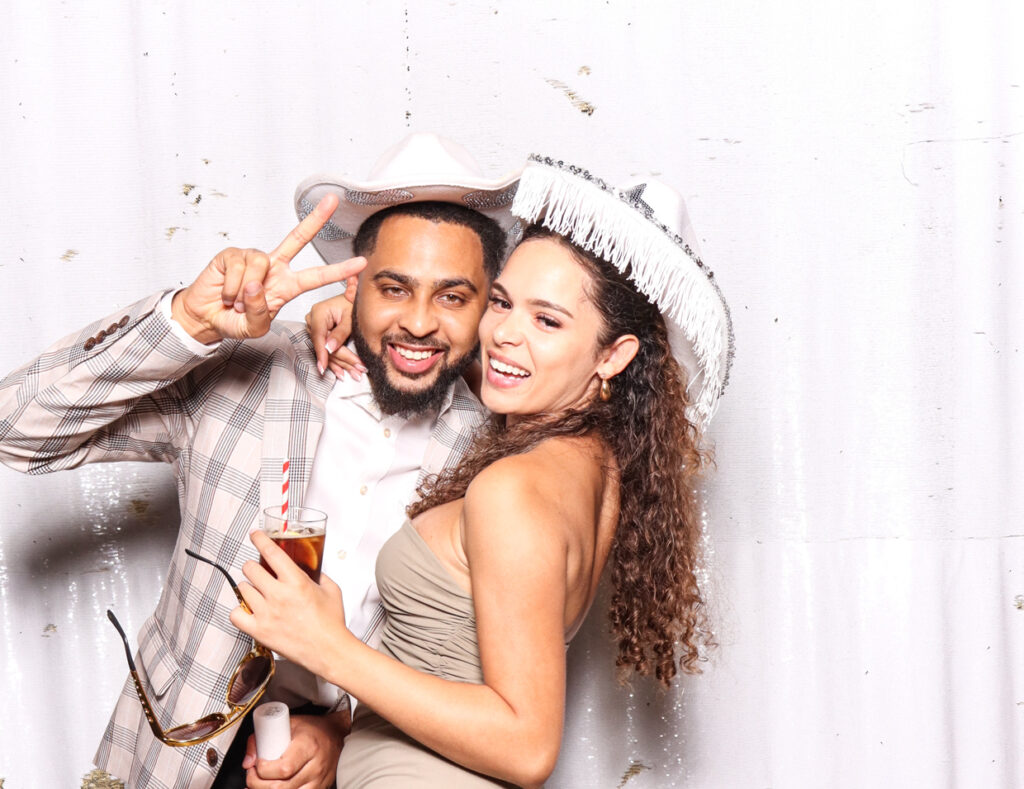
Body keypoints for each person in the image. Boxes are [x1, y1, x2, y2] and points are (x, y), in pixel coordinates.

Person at [0, 133, 520, 789]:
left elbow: (464, 661)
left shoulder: (492, 453)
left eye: (453, 296)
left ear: (487, 305)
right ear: (353, 285)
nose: (418, 322)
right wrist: (186, 321)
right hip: (177, 756)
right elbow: (15, 427)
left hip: (359, 767)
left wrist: (344, 727)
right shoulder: (247, 375)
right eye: (393, 287)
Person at [230, 155, 734, 787]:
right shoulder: (590, 461)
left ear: (614, 354)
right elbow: (458, 355)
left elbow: (526, 747)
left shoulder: (514, 488)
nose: (503, 335)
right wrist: (357, 316)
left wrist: (326, 646)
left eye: (547, 320)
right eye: (501, 302)